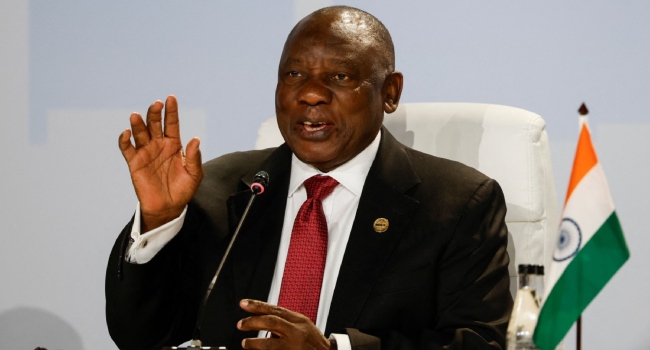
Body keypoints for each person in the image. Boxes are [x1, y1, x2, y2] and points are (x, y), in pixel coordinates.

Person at [105, 6, 512, 350]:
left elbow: (479, 341)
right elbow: (141, 336)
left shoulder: (457, 204)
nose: (310, 94)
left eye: (340, 77)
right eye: (294, 75)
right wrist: (159, 219)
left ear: (390, 92)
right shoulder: (219, 189)